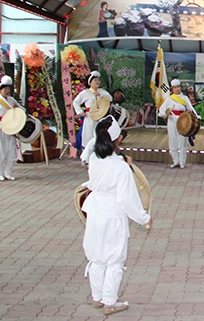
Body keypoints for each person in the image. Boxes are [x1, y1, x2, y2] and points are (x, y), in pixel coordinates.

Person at [82, 115, 151, 316]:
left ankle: (97, 297)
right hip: (113, 214)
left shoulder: (94, 158)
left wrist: (123, 159)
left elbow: (99, 152)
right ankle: (110, 302)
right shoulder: (120, 167)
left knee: (97, 257)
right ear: (118, 139)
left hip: (95, 211)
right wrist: (144, 217)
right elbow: (127, 199)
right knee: (114, 260)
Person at [158, 79, 198, 168]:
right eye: (175, 87)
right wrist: (163, 114)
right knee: (172, 141)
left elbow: (191, 108)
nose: (177, 89)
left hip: (183, 121)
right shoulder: (169, 99)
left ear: (180, 87)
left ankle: (182, 162)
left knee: (182, 142)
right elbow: (162, 110)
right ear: (172, 89)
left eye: (178, 87)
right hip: (172, 120)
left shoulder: (185, 98)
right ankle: (175, 161)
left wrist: (189, 111)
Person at [73, 71, 113, 149]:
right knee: (89, 135)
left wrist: (100, 95)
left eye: (98, 80)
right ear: (90, 82)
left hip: (101, 116)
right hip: (90, 117)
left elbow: (110, 98)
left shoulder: (102, 91)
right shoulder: (85, 93)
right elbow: (75, 102)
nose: (97, 82)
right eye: (95, 80)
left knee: (100, 134)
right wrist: (80, 112)